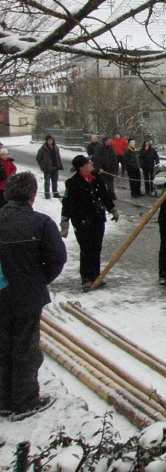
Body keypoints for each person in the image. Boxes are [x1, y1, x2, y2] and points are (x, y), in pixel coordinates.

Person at [0, 171, 67, 419]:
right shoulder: (41, 223)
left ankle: (3, 397)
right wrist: (38, 281)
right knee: (26, 349)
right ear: (33, 195)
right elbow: (57, 258)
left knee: (3, 346)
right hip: (27, 298)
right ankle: (24, 400)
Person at [60, 155, 119, 292]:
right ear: (82, 167)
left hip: (98, 220)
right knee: (86, 249)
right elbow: (67, 204)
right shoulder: (72, 183)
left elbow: (105, 196)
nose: (91, 163)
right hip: (82, 222)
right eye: (88, 162)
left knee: (96, 248)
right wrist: (65, 224)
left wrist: (113, 210)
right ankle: (86, 278)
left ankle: (96, 276)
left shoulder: (96, 179)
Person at [35, 135, 63, 199]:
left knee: (55, 182)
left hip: (55, 167)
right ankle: (47, 194)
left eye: (51, 140)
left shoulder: (56, 147)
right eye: (49, 140)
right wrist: (43, 165)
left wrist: (59, 165)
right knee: (47, 182)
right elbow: (38, 158)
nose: (50, 141)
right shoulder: (43, 149)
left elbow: (58, 157)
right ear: (46, 141)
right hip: (47, 168)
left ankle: (55, 193)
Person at [91, 136, 118, 200]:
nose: (110, 142)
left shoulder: (111, 149)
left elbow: (114, 159)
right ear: (105, 141)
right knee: (102, 183)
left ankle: (111, 194)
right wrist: (99, 168)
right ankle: (103, 195)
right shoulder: (99, 148)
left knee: (110, 183)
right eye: (109, 140)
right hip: (102, 169)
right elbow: (96, 159)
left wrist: (115, 168)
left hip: (110, 169)